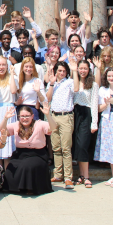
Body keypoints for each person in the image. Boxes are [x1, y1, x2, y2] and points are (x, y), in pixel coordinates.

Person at [0, 104, 55, 196]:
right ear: (19, 117)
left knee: (27, 166)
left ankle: (29, 188)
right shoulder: (16, 125)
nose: (24, 118)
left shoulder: (39, 124)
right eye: (22, 116)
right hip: (20, 154)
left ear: (32, 116)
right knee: (10, 169)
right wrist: (5, 119)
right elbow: (2, 130)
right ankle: (15, 189)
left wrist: (48, 115)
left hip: (38, 155)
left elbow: (53, 128)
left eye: (27, 116)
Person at [46, 61, 75, 189]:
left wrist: (75, 72)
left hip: (66, 115)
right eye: (59, 70)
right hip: (53, 116)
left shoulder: (70, 82)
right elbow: (48, 98)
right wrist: (52, 83)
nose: (61, 73)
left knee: (66, 147)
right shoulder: (52, 83)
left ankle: (68, 177)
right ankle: (58, 174)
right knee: (56, 147)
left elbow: (77, 89)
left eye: (63, 71)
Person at [70, 58, 98, 188]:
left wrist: (94, 123)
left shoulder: (93, 85)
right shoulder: (73, 82)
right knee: (76, 146)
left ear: (89, 70)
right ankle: (80, 176)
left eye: (85, 68)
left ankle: (86, 176)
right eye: (80, 68)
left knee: (83, 145)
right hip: (75, 114)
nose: (82, 71)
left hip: (86, 114)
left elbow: (94, 104)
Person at [0, 56, 17, 164]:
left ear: (7, 66)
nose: (1, 67)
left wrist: (12, 74)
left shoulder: (11, 77)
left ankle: (8, 175)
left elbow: (14, 91)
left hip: (8, 109)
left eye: (3, 65)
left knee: (8, 139)